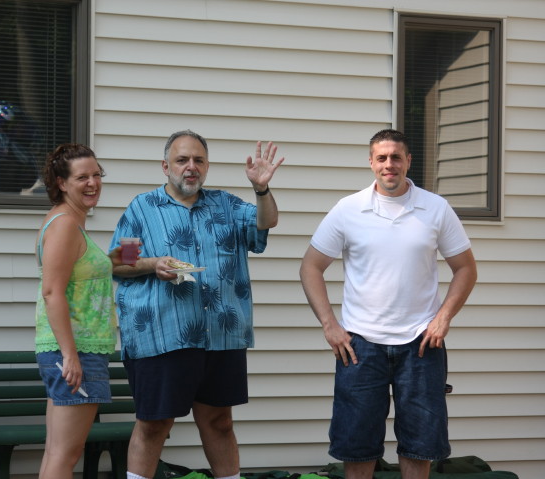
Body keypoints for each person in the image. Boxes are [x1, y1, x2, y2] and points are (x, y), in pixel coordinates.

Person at [299, 129, 477, 479]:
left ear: (408, 161)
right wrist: (329, 325)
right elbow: (310, 267)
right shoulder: (348, 209)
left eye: (396, 157)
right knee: (357, 446)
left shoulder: (435, 208)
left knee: (420, 446)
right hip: (360, 346)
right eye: (381, 157)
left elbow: (466, 269)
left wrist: (443, 318)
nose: (389, 164)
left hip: (421, 343)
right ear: (371, 162)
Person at [109, 130, 285, 479]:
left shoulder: (227, 205)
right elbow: (119, 264)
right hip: (162, 335)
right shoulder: (142, 209)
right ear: (166, 167)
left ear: (206, 166)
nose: (191, 167)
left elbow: (265, 223)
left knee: (220, 422)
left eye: (198, 160)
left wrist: (262, 189)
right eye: (182, 160)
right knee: (154, 425)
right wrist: (153, 263)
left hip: (221, 334)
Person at [34, 143, 124, 479]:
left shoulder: (70, 222)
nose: (92, 183)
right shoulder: (64, 225)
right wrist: (70, 355)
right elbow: (52, 292)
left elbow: (81, 274)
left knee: (56, 453)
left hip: (74, 350)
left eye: (97, 175)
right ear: (61, 183)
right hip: (75, 351)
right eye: (82, 177)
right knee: (65, 455)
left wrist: (119, 258)